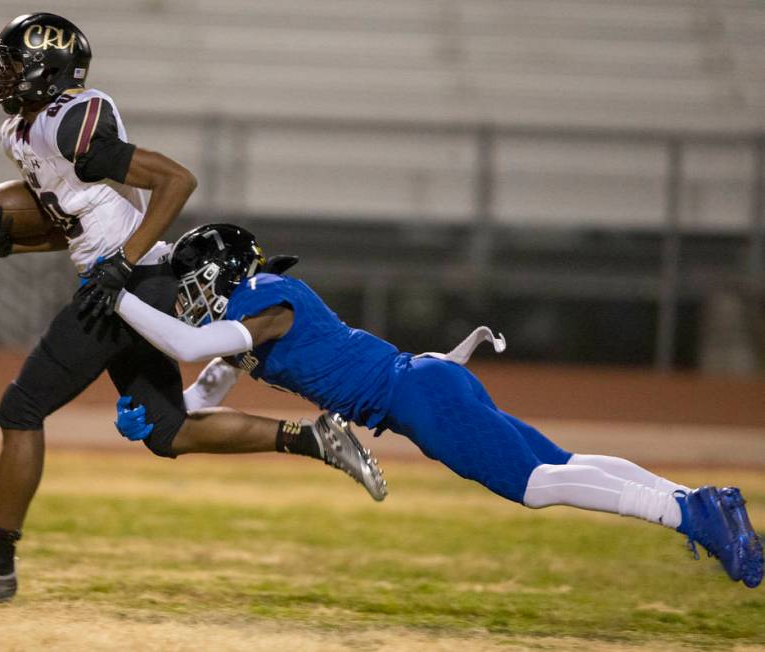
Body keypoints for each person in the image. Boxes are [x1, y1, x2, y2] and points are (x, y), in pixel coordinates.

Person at [0, 14, 383, 606]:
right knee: (168, 430)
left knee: (22, 406)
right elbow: (78, 218)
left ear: (47, 71)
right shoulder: (19, 132)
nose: (1, 76)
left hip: (129, 284)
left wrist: (121, 265)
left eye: (13, 64)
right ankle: (313, 439)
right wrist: (27, 238)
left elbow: (176, 182)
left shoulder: (70, 123)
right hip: (125, 281)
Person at [111, 223, 762, 589]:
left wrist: (113, 295)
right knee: (558, 463)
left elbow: (187, 341)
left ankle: (689, 512)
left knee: (535, 485)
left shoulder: (266, 304)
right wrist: (154, 416)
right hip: (421, 386)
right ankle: (700, 502)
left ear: (220, 277)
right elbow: (199, 392)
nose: (185, 295)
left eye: (192, 284)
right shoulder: (248, 327)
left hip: (415, 393)